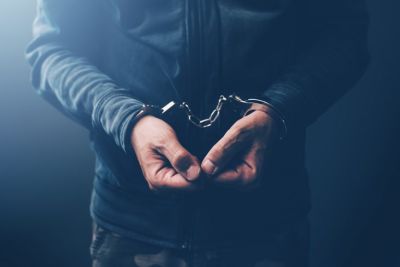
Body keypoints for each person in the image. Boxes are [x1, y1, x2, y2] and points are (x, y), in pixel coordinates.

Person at [26, 0, 369, 266]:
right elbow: (52, 51)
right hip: (132, 228)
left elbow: (345, 37)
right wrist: (128, 120)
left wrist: (277, 110)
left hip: (266, 226)